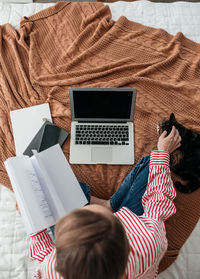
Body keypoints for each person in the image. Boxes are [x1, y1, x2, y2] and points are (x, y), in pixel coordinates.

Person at [29, 126, 181, 279]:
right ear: (127, 243)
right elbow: (158, 201)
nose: (86, 208)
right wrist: (163, 153)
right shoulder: (149, 243)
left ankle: (107, 205)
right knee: (153, 162)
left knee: (46, 187)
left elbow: (44, 253)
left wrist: (33, 219)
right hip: (137, 246)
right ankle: (109, 206)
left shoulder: (52, 269)